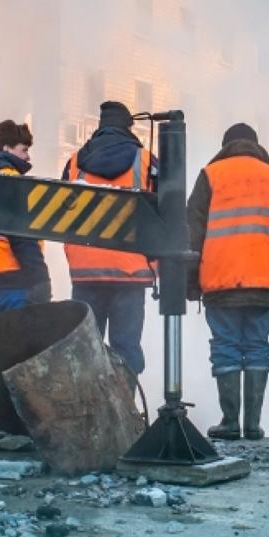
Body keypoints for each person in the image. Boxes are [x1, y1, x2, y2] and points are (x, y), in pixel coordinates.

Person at [187, 123, 269, 440]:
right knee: (257, 346)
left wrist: (190, 283)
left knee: (225, 346)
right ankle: (252, 424)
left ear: (225, 146)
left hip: (221, 282)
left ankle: (229, 422)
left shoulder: (211, 175)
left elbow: (191, 234)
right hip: (265, 283)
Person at [61, 101, 155, 377]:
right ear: (128, 127)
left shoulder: (75, 162)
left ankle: (88, 402)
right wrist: (155, 266)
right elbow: (162, 217)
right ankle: (123, 401)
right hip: (130, 271)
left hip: (85, 272)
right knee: (126, 348)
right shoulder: (145, 160)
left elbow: (59, 215)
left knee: (87, 349)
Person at [0, 119, 52, 315]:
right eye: (23, 150)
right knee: (20, 333)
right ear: (6, 148)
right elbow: (21, 234)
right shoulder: (11, 179)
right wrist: (41, 279)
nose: (27, 157)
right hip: (12, 276)